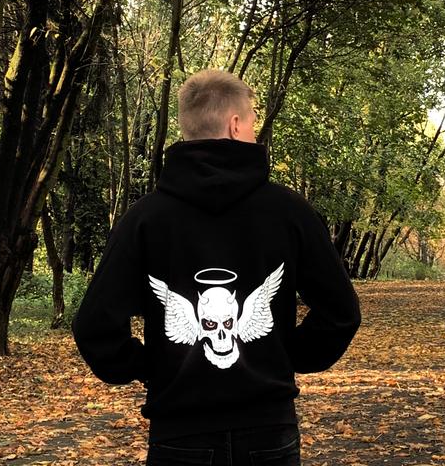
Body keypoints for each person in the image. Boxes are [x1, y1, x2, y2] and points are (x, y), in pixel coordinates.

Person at [72, 69, 362, 466]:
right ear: (235, 124)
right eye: (253, 123)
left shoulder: (144, 219)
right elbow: (341, 313)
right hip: (268, 428)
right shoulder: (290, 212)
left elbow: (94, 326)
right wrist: (285, 356)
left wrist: (151, 367)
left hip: (179, 433)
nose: (255, 133)